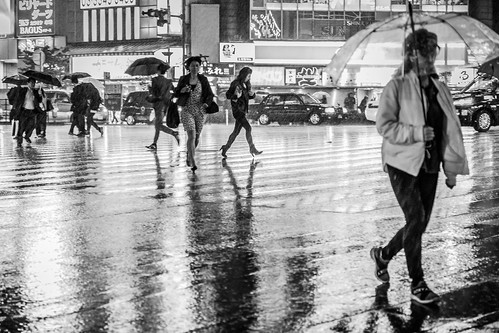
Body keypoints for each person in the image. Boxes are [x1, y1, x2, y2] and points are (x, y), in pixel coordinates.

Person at [371, 28, 469, 305]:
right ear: (413, 54)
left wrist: (450, 170)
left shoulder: (439, 88)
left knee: (420, 224)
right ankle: (418, 284)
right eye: (427, 50)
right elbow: (384, 125)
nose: (431, 56)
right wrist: (415, 133)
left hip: (430, 164)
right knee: (415, 220)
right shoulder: (397, 86)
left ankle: (383, 255)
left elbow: (450, 131)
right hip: (401, 163)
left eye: (433, 50)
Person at [174, 56, 214, 172]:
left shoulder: (203, 79)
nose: (195, 68)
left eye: (197, 65)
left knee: (196, 138)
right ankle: (192, 160)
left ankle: (189, 154)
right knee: (191, 135)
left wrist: (207, 103)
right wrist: (182, 91)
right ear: (188, 67)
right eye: (193, 65)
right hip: (187, 110)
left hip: (200, 111)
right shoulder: (183, 79)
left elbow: (209, 94)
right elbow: (176, 92)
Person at [219, 67, 262, 158]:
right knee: (248, 128)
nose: (249, 78)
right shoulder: (235, 84)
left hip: (243, 110)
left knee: (236, 132)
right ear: (244, 74)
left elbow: (245, 97)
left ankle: (225, 148)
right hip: (237, 110)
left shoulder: (246, 84)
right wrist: (235, 96)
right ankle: (252, 148)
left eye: (250, 76)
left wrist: (252, 95)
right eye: (248, 75)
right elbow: (228, 95)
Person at [145, 63, 180, 150]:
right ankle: (154, 143)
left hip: (158, 105)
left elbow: (155, 93)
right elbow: (174, 91)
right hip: (166, 105)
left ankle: (173, 133)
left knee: (158, 125)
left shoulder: (155, 80)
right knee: (157, 125)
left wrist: (149, 88)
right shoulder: (168, 82)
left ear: (158, 71)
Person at [13, 78, 43, 147]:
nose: (33, 84)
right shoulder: (23, 90)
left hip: (32, 111)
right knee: (22, 126)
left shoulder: (35, 91)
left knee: (32, 125)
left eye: (34, 83)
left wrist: (40, 95)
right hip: (24, 111)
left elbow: (39, 101)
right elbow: (18, 99)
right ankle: (19, 141)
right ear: (28, 83)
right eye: (31, 82)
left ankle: (27, 136)